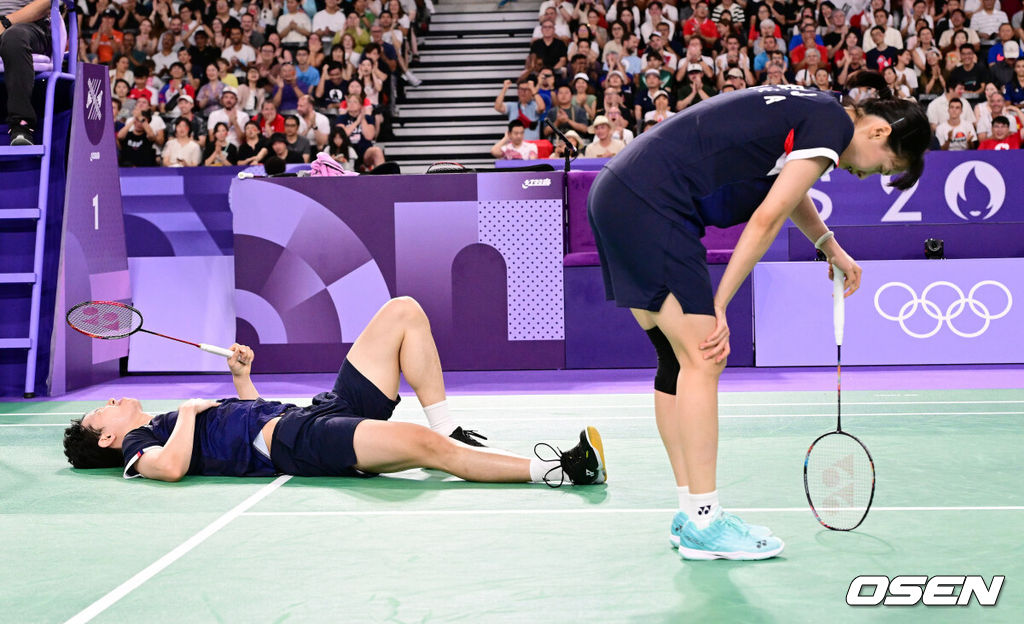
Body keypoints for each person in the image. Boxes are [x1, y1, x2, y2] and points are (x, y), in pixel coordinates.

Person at [586, 71, 929, 560]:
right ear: (879, 133)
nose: (867, 174)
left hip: (621, 190)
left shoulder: (821, 106)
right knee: (705, 358)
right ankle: (706, 522)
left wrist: (829, 245)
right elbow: (768, 215)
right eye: (882, 166)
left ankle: (691, 513)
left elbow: (790, 193)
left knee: (676, 361)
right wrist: (720, 302)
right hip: (653, 202)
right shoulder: (831, 125)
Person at [63, 298, 607, 489]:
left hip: (314, 414)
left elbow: (245, 420)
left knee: (403, 312)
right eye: (100, 413)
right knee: (418, 445)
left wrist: (239, 378)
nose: (110, 402)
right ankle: (561, 468)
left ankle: (451, 427)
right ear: (108, 437)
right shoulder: (141, 446)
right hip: (304, 444)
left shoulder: (152, 425)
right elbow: (172, 468)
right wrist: (187, 411)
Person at [0, 0, 56, 145]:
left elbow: (46, 3)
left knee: (14, 37)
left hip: (28, 26)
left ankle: (21, 125)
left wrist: (5, 22)